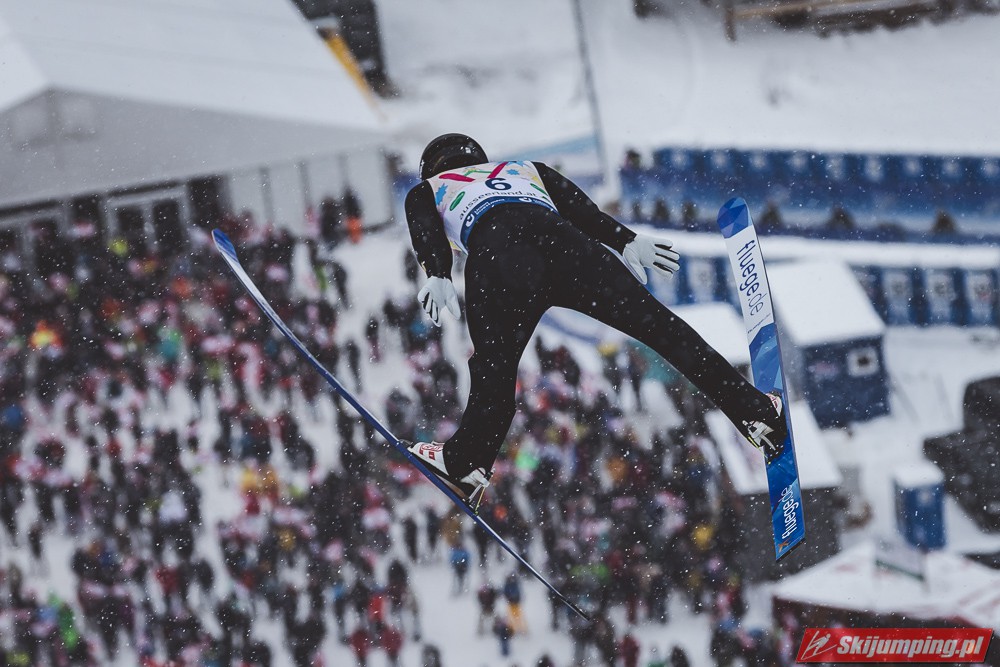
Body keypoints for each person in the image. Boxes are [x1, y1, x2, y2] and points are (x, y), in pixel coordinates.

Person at [404, 133, 787, 501]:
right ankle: (755, 413)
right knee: (662, 329)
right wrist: (624, 239)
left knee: (494, 372)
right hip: (563, 244)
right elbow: (581, 209)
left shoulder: (429, 188)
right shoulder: (523, 168)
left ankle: (466, 463)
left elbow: (425, 230)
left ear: (431, 169)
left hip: (498, 257)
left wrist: (437, 272)